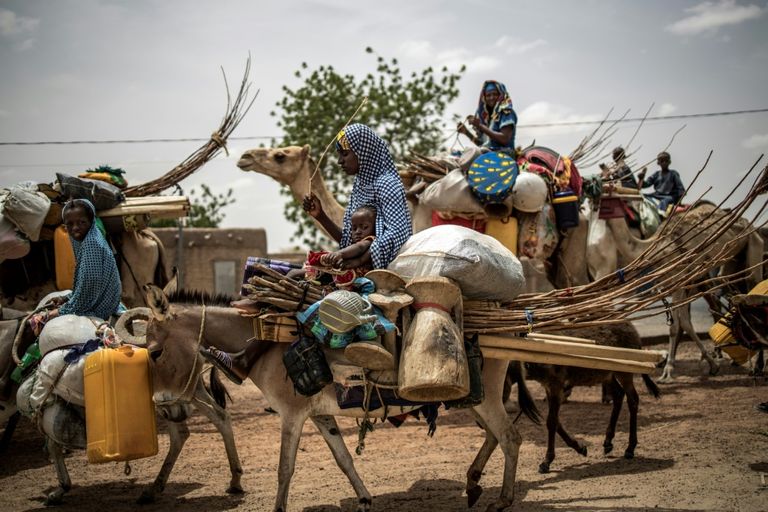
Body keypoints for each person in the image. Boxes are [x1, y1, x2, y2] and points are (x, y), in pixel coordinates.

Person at [203, 123, 412, 384]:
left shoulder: (387, 184)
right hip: (349, 265)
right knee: (278, 272)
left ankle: (247, 353)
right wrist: (320, 216)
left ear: (363, 151)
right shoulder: (361, 187)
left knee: (293, 282)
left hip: (372, 274)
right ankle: (250, 345)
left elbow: (395, 235)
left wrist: (350, 256)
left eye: (345, 154)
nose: (339, 161)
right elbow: (349, 238)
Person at [305, 205, 377, 287]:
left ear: (376, 228)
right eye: (354, 228)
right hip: (345, 277)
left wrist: (339, 253)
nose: (358, 232)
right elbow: (357, 260)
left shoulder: (370, 241)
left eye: (364, 227)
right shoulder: (352, 244)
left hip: (356, 280)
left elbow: (359, 248)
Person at [457, 80, 517, 153]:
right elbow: (483, 145)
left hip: (504, 157)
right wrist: (466, 132)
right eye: (488, 95)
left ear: (501, 95)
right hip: (489, 156)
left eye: (495, 94)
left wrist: (480, 126)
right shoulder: (487, 119)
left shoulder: (506, 112)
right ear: (484, 98)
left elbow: (504, 139)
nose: (491, 97)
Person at [637, 151, 686, 216]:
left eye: (666, 161)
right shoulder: (656, 174)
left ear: (669, 162)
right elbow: (646, 184)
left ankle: (659, 214)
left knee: (664, 201)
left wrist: (679, 202)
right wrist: (641, 178)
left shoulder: (673, 173)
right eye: (662, 161)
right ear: (658, 163)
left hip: (669, 196)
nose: (664, 163)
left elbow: (681, 189)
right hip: (657, 195)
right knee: (642, 196)